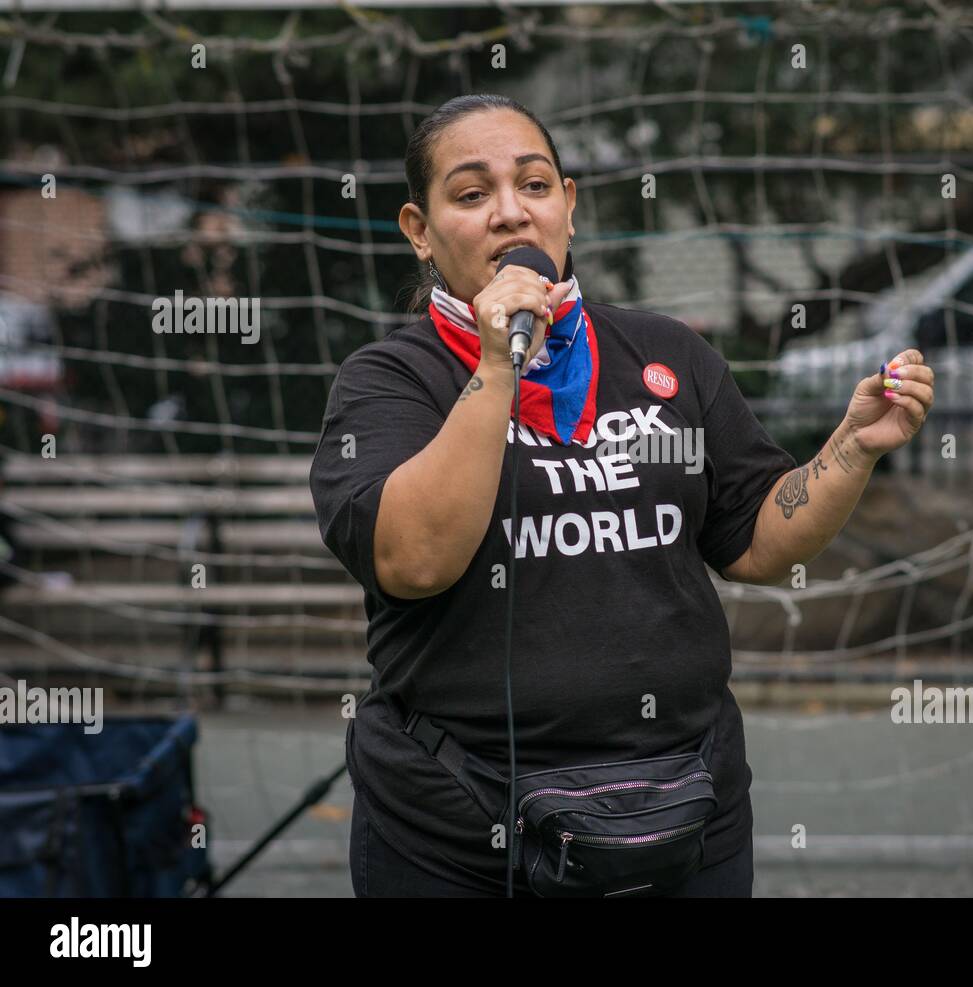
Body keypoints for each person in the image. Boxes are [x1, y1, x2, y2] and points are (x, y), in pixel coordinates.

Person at [309, 94, 936, 898]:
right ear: (419, 231)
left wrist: (851, 449)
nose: (510, 212)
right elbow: (415, 559)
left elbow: (755, 540)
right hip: (460, 835)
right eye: (471, 195)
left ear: (568, 207)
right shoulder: (388, 380)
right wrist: (497, 367)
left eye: (534, 186)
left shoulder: (668, 354)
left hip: (683, 815)